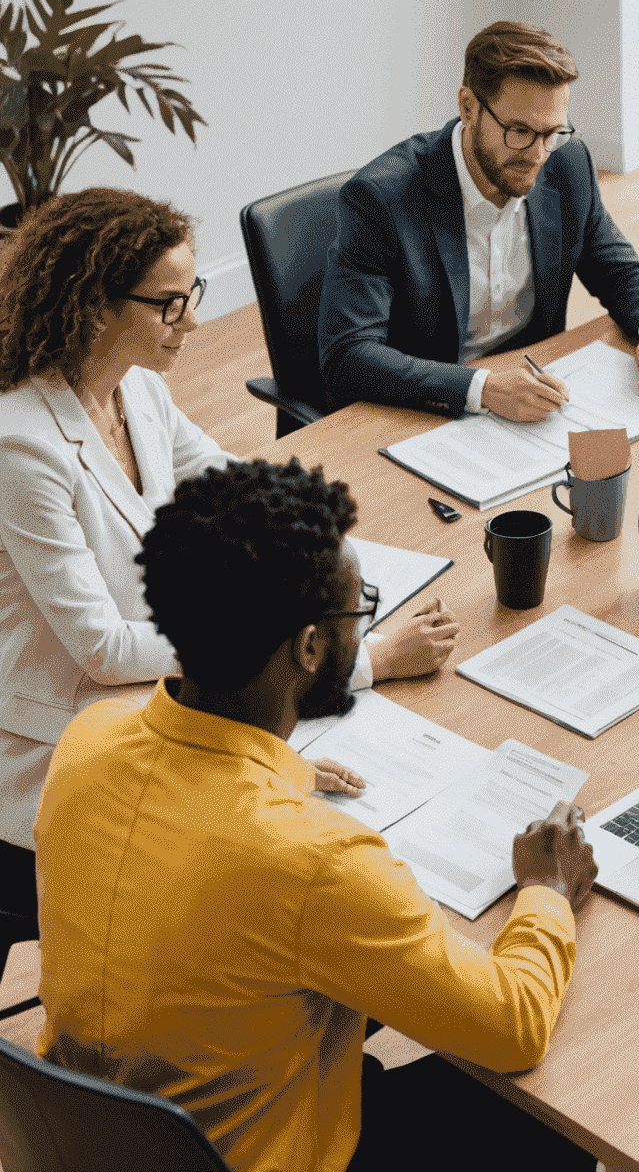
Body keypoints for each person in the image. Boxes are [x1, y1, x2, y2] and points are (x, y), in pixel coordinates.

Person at [33, 458, 605, 1172]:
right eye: (357, 615)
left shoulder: (88, 745)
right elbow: (514, 1024)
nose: (361, 630)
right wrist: (544, 895)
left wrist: (282, 776)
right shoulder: (310, 864)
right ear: (307, 648)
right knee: (546, 1123)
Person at [0, 189, 455, 920]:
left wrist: (323, 545)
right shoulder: (22, 445)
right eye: (170, 305)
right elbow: (105, 651)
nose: (195, 322)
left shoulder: (136, 390)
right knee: (281, 866)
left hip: (151, 702)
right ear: (95, 308)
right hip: (66, 744)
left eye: (194, 296)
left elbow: (238, 486)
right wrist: (355, 656)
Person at [319, 21, 639, 422]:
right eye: (519, 131)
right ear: (468, 107)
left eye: (552, 132)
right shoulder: (381, 200)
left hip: (534, 401)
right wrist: (482, 388)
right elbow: (349, 354)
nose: (537, 154)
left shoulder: (568, 163)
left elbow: (619, 270)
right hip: (426, 411)